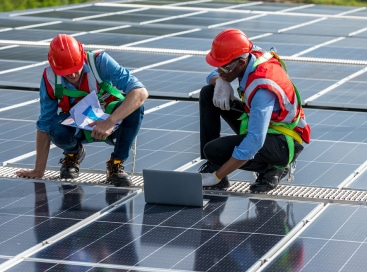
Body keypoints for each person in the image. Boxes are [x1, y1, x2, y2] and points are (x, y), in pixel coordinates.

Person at [16, 34, 148, 187]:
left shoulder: (99, 62)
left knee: (136, 108)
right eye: (65, 71)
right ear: (53, 65)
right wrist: (38, 170)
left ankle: (115, 165)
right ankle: (73, 153)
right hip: (78, 126)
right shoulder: (50, 79)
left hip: (112, 124)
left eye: (75, 68)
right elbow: (44, 124)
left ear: (82, 56)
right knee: (54, 127)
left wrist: (110, 122)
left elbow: (140, 92)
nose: (72, 75)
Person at [199, 28, 310, 193]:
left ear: (241, 63)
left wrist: (217, 176)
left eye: (223, 68)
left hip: (282, 142)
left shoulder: (262, 89)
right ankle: (213, 163)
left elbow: (254, 142)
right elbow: (215, 73)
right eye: (219, 66)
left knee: (214, 150)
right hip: (260, 122)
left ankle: (274, 167)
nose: (220, 71)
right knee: (208, 92)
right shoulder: (248, 54)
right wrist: (219, 82)